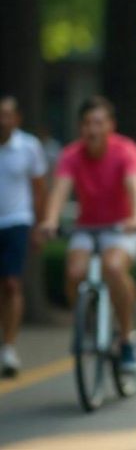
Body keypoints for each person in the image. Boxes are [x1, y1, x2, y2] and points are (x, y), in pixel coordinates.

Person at [38, 95, 136, 374]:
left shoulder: (126, 150)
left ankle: (127, 340)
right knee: (74, 273)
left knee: (113, 267)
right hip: (87, 227)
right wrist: (50, 220)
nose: (92, 129)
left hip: (123, 225)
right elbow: (60, 191)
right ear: (80, 127)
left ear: (111, 125)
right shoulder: (71, 155)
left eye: (99, 122)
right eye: (87, 123)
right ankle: (85, 326)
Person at [0, 97, 48, 378]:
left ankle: (9, 347)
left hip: (18, 220)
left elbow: (39, 188)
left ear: (17, 119)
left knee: (11, 283)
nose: (2, 120)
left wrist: (39, 226)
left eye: (7, 115)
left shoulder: (29, 147)